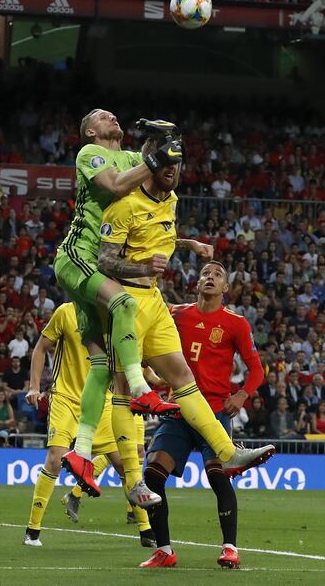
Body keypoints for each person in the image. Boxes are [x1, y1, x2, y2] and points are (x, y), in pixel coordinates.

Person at [97, 149, 275, 498]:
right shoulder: (123, 205)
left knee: (182, 378)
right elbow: (105, 261)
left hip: (155, 300)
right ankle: (133, 481)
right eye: (165, 164)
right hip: (126, 299)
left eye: (177, 166)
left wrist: (188, 244)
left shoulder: (171, 201)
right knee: (123, 386)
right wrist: (145, 268)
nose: (173, 172)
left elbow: (156, 239)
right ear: (148, 166)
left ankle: (228, 451)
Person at [44, 111, 182, 504]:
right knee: (122, 302)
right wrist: (156, 158)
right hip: (80, 256)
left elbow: (155, 185)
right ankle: (140, 388)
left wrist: (165, 144)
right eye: (103, 115)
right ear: (90, 130)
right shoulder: (91, 152)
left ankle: (83, 452)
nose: (112, 116)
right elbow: (118, 186)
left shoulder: (132, 157)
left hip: (98, 266)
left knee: (102, 365)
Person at [135, 261, 267, 569]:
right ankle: (164, 550)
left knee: (218, 476)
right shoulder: (176, 314)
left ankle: (230, 548)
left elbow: (257, 369)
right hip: (178, 408)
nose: (210, 277)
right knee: (152, 475)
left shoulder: (236, 323)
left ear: (225, 289)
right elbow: (148, 342)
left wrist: (243, 394)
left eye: (218, 274)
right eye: (205, 273)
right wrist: (148, 375)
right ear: (197, 284)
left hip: (214, 411)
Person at [23, 302, 155, 548]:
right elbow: (41, 348)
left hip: (101, 402)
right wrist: (34, 386)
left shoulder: (113, 316)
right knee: (54, 458)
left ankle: (147, 530)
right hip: (66, 398)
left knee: (125, 465)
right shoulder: (65, 312)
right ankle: (33, 530)